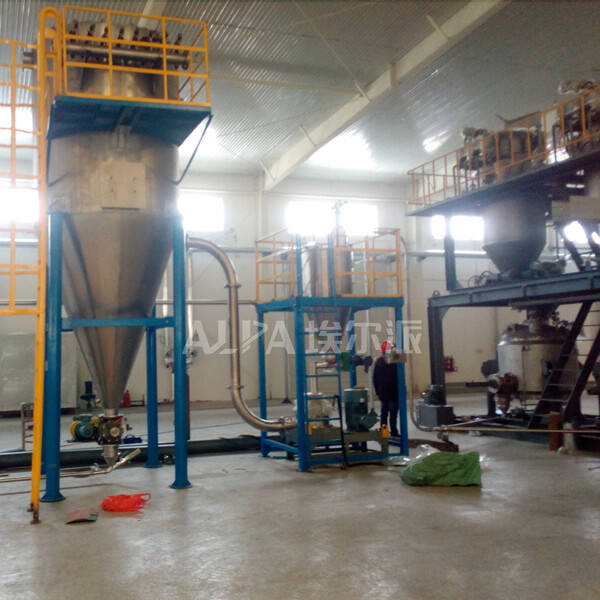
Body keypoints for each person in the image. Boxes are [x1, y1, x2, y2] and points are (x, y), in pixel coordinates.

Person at [373, 340, 399, 437]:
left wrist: (377, 392)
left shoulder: (379, 361)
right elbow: (398, 377)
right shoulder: (394, 361)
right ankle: (394, 433)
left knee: (384, 415)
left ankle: (384, 433)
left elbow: (375, 378)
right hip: (393, 393)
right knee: (393, 415)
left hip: (383, 393)